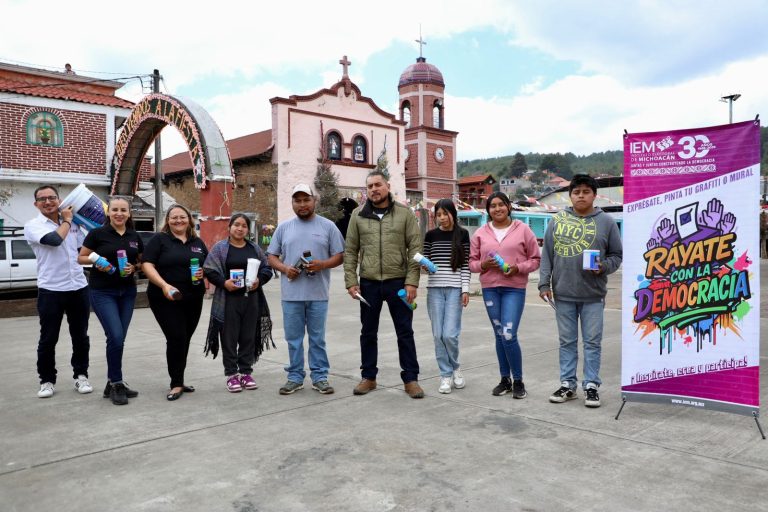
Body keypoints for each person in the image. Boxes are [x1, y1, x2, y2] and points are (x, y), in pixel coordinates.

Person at [538, 174, 623, 408]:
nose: (581, 196)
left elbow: (617, 255)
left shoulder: (607, 222)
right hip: (563, 294)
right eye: (576, 192)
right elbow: (547, 255)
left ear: (595, 195)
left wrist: (603, 267)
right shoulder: (557, 220)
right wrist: (544, 284)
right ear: (570, 196)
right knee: (567, 342)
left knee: (592, 343)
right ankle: (568, 385)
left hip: (593, 295)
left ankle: (591, 386)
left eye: (586, 192)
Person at [344, 170, 425, 399]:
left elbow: (415, 249)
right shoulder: (358, 215)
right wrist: (351, 280)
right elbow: (350, 250)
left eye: (378, 185)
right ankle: (368, 377)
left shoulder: (404, 213)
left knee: (405, 331)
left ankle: (411, 379)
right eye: (370, 186)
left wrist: (412, 281)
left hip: (398, 281)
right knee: (368, 332)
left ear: (387, 186)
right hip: (368, 283)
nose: (374, 189)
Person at [267, 184, 345, 395]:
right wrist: (285, 268)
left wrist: (322, 264)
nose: (302, 204)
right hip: (291, 295)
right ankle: (295, 377)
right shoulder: (284, 228)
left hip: (318, 294)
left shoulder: (328, 226)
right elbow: (271, 256)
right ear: (292, 203)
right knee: (293, 339)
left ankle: (320, 377)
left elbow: (340, 255)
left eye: (306, 200)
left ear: (314, 201)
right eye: (297, 201)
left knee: (317, 338)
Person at [469, 192, 540, 399]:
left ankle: (518, 380)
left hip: (514, 289)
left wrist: (518, 268)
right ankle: (505, 380)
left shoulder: (523, 229)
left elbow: (536, 259)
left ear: (509, 206)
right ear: (488, 210)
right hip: (490, 289)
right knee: (499, 334)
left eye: (501, 204)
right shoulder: (480, 233)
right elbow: (471, 263)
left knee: (509, 334)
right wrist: (483, 264)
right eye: (493, 206)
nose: (497, 209)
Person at [24, 185, 92, 398]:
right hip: (51, 290)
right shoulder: (33, 225)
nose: (47, 202)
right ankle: (46, 380)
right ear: (36, 204)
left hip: (78, 287)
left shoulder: (74, 224)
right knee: (48, 339)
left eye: (52, 197)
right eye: (42, 199)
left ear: (59, 200)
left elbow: (82, 251)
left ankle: (81, 375)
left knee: (80, 337)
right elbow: (54, 240)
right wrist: (68, 221)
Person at [78, 196, 144, 406]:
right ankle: (116, 383)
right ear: (108, 212)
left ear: (129, 213)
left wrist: (134, 268)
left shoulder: (134, 236)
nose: (119, 214)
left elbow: (141, 261)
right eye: (115, 209)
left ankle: (112, 382)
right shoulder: (97, 233)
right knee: (115, 335)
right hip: (102, 292)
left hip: (127, 292)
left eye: (123, 210)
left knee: (118, 338)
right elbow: (81, 257)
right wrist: (96, 261)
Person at [141, 204, 208, 401]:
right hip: (165, 298)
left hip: (193, 297)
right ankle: (176, 383)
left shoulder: (197, 242)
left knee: (184, 338)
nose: (178, 220)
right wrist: (164, 285)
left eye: (182, 217)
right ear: (167, 221)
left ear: (189, 220)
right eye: (174, 217)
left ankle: (179, 378)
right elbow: (147, 264)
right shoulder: (159, 240)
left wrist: (203, 272)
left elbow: (208, 264)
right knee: (177, 337)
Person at [203, 214, 274, 393]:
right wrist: (223, 283)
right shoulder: (220, 248)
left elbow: (267, 268)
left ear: (248, 230)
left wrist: (259, 280)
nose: (240, 228)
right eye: (236, 224)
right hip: (228, 299)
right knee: (229, 337)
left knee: (248, 337)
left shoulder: (254, 248)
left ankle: (245, 372)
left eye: (244, 226)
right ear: (230, 227)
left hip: (252, 299)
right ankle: (231, 375)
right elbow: (209, 269)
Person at [423, 199, 471, 394]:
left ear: (453, 213)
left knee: (450, 334)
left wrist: (465, 289)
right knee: (438, 335)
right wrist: (425, 266)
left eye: (445, 213)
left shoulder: (463, 234)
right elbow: (427, 264)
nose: (442, 218)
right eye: (438, 215)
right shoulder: (430, 235)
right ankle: (445, 374)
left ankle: (455, 367)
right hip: (434, 290)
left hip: (454, 289)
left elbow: (465, 265)